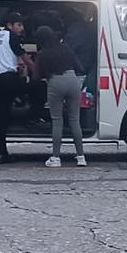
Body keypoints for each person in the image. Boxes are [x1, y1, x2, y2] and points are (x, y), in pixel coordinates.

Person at [34, 26, 87, 167]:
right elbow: (79, 67)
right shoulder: (66, 48)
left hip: (55, 82)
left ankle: (56, 158)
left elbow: (36, 77)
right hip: (72, 80)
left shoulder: (42, 53)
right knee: (75, 120)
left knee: (57, 121)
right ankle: (81, 157)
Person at [0, 13, 27, 164]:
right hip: (9, 79)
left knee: (0, 116)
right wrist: (36, 70)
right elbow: (25, 58)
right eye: (19, 25)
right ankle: (33, 117)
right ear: (10, 25)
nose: (22, 28)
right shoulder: (13, 37)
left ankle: (0, 152)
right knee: (38, 88)